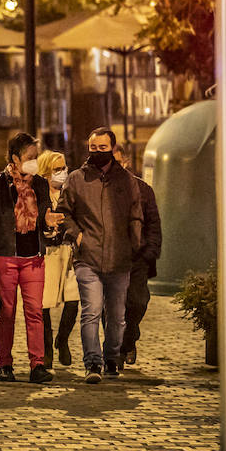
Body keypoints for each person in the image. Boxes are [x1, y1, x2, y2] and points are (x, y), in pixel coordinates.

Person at [56, 127, 146, 383]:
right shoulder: (76, 179)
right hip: (88, 257)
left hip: (119, 259)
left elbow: (136, 215)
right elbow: (64, 213)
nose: (96, 153)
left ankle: (111, 359)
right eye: (93, 148)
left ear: (112, 149)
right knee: (91, 311)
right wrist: (76, 235)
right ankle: (92, 364)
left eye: (102, 149)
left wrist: (133, 243)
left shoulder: (127, 181)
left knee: (117, 317)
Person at [0, 132, 55, 384]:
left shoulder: (40, 184)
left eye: (36, 156)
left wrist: (50, 224)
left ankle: (37, 365)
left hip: (33, 257)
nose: (35, 161)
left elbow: (44, 219)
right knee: (6, 312)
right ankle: (5, 364)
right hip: (4, 256)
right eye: (30, 157)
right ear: (15, 158)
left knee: (35, 312)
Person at [118, 145, 161, 368]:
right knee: (113, 306)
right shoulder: (98, 189)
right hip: (110, 257)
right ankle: (116, 351)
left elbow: (153, 222)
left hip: (138, 257)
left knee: (137, 302)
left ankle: (129, 339)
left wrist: (150, 251)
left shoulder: (143, 190)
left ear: (125, 161)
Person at [37, 151, 79, 369]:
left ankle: (62, 340)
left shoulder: (70, 192)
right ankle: (46, 350)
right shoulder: (38, 194)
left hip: (68, 251)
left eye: (64, 168)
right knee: (43, 304)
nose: (63, 173)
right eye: (57, 169)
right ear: (45, 171)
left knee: (73, 300)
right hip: (48, 254)